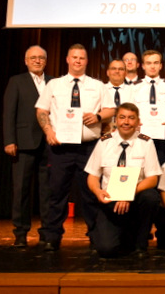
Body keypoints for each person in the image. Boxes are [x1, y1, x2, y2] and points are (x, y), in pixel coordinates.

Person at [35, 43, 116, 251]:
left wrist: (97, 116)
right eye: (74, 57)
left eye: (82, 58)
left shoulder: (98, 85)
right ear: (67, 60)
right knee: (56, 193)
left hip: (88, 148)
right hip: (60, 147)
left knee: (90, 194)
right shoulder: (54, 85)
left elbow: (110, 110)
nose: (78, 61)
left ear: (87, 61)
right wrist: (49, 132)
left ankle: (95, 235)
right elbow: (41, 111)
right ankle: (52, 236)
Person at [85, 103, 162, 258]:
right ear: (116, 120)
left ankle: (141, 244)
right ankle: (124, 235)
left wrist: (128, 193)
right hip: (110, 202)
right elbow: (92, 175)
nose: (126, 122)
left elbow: (153, 178)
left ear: (138, 121)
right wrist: (97, 191)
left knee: (151, 197)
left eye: (131, 118)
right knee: (106, 249)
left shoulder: (146, 143)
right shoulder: (104, 142)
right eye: (122, 117)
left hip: (135, 200)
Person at [3, 45, 53, 247]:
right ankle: (21, 233)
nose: (37, 60)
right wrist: (9, 140)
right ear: (26, 60)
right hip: (23, 143)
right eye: (33, 57)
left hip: (49, 143)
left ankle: (46, 233)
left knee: (48, 191)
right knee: (21, 190)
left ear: (46, 61)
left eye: (41, 57)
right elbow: (8, 113)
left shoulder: (53, 82)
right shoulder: (16, 81)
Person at [131, 50, 165, 165]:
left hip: (162, 137)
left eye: (155, 63)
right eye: (148, 63)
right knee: (140, 169)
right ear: (143, 66)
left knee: (161, 170)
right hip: (140, 136)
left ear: (160, 65)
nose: (152, 66)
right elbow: (129, 112)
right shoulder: (135, 87)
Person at [104, 59, 130, 133]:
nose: (117, 71)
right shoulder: (100, 89)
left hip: (128, 133)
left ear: (125, 73)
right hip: (105, 133)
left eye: (121, 69)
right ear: (108, 72)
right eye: (113, 68)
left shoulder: (134, 90)